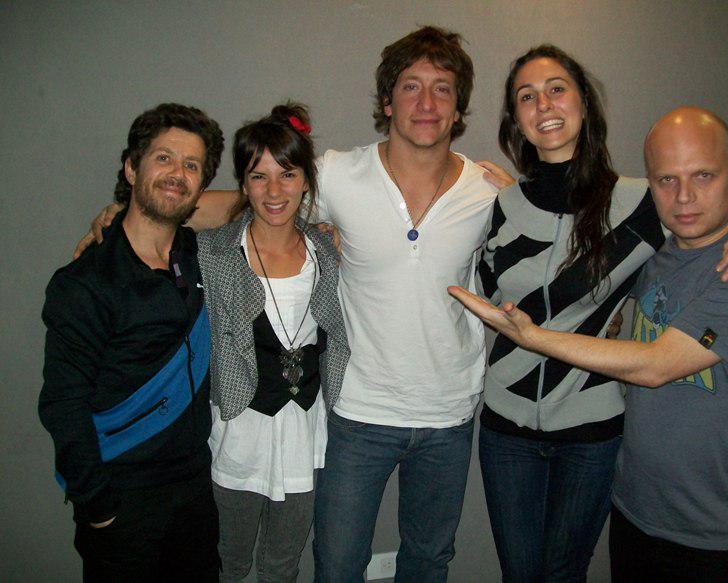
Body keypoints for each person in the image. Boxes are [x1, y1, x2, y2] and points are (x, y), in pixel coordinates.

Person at [73, 27, 497, 581]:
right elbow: (257, 199)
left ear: (459, 106)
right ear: (387, 100)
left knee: (430, 558)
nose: (426, 102)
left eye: (442, 88)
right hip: (359, 411)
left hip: (449, 412)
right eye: (411, 86)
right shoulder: (340, 173)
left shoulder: (487, 190)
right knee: (335, 563)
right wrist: (129, 212)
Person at [469, 46, 728, 582]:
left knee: (565, 573)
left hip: (593, 431)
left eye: (557, 88)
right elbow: (492, 288)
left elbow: (715, 224)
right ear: (515, 118)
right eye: (527, 96)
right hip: (509, 426)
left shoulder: (641, 203)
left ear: (584, 103)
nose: (544, 104)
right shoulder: (503, 205)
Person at [39, 103, 224, 581]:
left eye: (191, 166)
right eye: (163, 158)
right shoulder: (86, 282)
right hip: (123, 500)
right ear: (131, 168)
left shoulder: (197, 254)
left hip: (195, 491)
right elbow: (62, 405)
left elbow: (265, 200)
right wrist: (98, 508)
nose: (177, 174)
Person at [199, 103, 349, 582]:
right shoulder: (214, 252)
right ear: (243, 185)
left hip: (304, 430)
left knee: (283, 565)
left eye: (287, 174)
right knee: (228, 561)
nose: (274, 190)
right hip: (239, 431)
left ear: (306, 180)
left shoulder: (327, 251)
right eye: (258, 177)